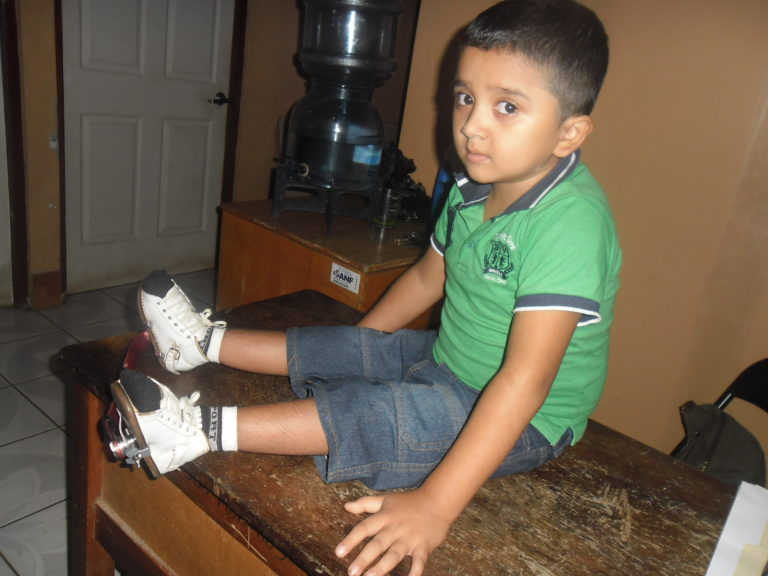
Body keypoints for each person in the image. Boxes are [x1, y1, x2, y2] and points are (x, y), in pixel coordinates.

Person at [111, 1, 621, 574]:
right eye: (465, 97)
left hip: (528, 417)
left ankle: (195, 433)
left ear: (569, 132)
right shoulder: (471, 186)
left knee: (377, 413)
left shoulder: (570, 225)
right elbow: (428, 277)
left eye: (507, 106)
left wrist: (436, 504)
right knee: (348, 341)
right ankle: (200, 343)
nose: (472, 125)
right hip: (450, 358)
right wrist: (357, 351)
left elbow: (525, 382)